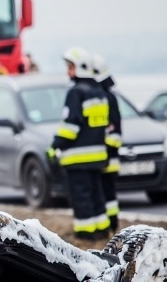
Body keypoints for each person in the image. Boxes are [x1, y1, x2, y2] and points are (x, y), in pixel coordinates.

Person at [48, 47, 111, 241]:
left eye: (70, 67)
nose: (68, 71)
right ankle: (102, 230)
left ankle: (85, 233)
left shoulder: (76, 93)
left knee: (81, 197)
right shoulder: (99, 92)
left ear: (81, 67)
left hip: (78, 158)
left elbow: (71, 126)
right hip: (98, 157)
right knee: (97, 196)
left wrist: (55, 146)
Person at [93, 53, 122, 232]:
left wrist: (105, 152)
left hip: (106, 156)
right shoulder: (109, 95)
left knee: (106, 193)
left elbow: (114, 132)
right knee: (109, 193)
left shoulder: (106, 97)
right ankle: (112, 225)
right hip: (108, 155)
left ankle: (110, 225)